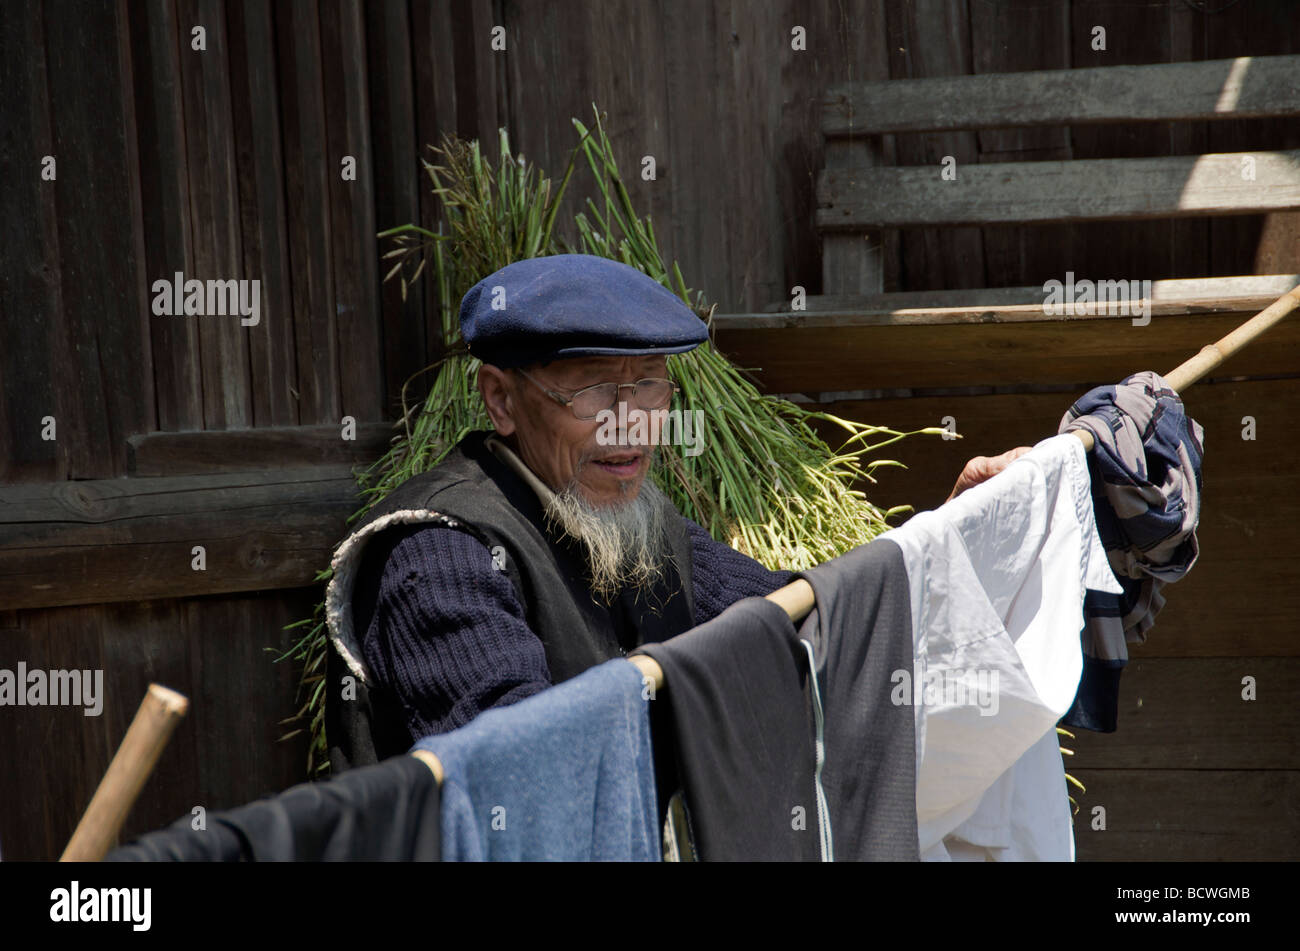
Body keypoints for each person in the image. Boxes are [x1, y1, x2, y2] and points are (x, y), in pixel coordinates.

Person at [323, 254, 1028, 768]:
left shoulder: (641, 525)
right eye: (596, 390)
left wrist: (948, 539)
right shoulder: (439, 555)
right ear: (501, 399)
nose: (631, 425)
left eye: (651, 388)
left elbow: (797, 612)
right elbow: (526, 768)